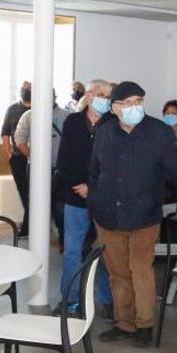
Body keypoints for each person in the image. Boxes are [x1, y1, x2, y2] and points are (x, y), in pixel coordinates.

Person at [90, 81, 177, 347]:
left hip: (144, 215)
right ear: (114, 108)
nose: (134, 107)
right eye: (127, 103)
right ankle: (124, 323)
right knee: (117, 273)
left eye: (138, 101)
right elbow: (94, 171)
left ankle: (144, 325)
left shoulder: (159, 132)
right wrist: (94, 200)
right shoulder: (105, 132)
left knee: (140, 271)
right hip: (108, 216)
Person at [55, 79, 114, 318]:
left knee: (105, 251)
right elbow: (64, 160)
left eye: (109, 96)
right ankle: (70, 301)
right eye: (101, 94)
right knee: (72, 251)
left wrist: (95, 187)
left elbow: (115, 165)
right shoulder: (73, 122)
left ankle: (109, 301)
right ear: (89, 96)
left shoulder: (113, 124)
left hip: (104, 199)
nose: (105, 100)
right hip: (75, 197)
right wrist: (79, 186)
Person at [15, 91, 70, 245]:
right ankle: (37, 239)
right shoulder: (28, 116)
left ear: (55, 97)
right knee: (36, 203)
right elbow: (20, 139)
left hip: (59, 169)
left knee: (60, 205)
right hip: (35, 170)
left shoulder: (67, 116)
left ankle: (63, 238)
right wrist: (34, 158)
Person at [1, 81, 32, 236]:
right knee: (24, 192)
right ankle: (29, 224)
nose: (26, 91)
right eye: (25, 88)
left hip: (36, 161)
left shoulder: (40, 109)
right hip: (18, 159)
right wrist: (8, 153)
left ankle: (29, 225)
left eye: (29, 89)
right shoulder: (12, 109)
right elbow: (5, 132)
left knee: (34, 194)